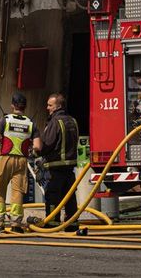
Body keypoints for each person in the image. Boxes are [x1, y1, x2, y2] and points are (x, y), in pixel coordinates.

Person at [0, 92, 39, 230]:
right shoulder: (31, 123)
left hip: (5, 159)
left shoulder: (5, 120)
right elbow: (38, 146)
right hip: (22, 161)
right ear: (25, 106)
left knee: (0, 190)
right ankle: (16, 224)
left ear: (12, 105)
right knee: (18, 192)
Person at [39, 92, 81, 231]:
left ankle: (52, 222)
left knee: (53, 196)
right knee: (69, 196)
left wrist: (37, 151)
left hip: (55, 167)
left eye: (50, 105)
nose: (47, 108)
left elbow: (48, 144)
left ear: (58, 106)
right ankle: (72, 223)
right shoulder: (73, 121)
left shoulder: (55, 122)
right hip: (69, 167)